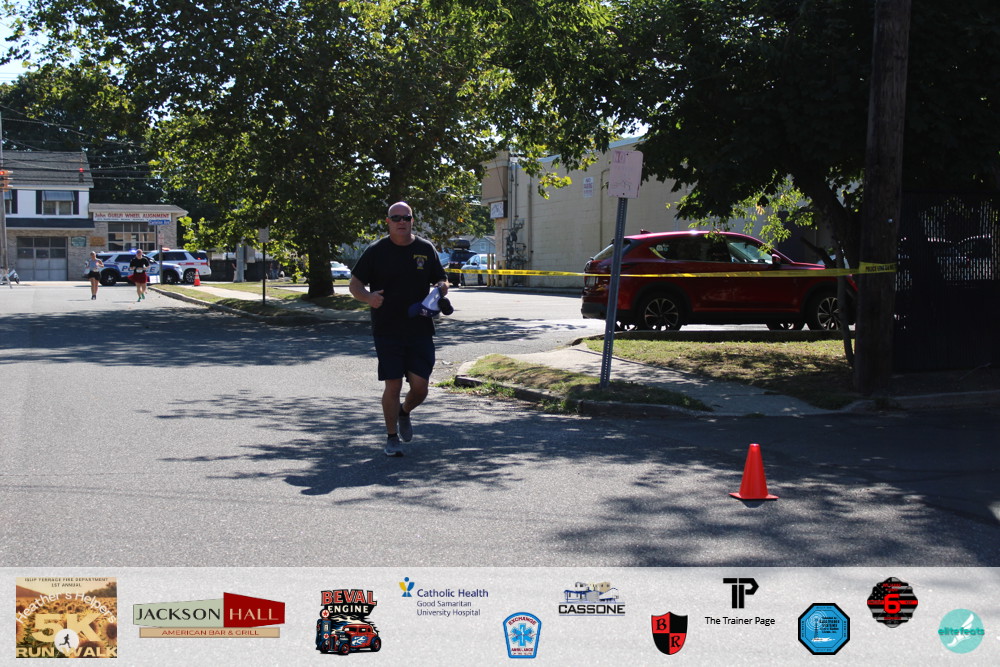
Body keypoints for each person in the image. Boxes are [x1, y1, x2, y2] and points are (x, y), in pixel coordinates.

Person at [350, 201, 449, 457]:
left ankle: (404, 412)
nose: (401, 221)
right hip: (387, 328)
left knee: (421, 388)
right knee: (393, 385)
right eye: (396, 218)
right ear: (388, 222)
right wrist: (368, 298)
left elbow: (441, 278)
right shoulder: (376, 251)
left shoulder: (425, 248)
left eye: (406, 217)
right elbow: (355, 285)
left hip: (419, 328)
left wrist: (441, 287)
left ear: (412, 220)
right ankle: (391, 436)